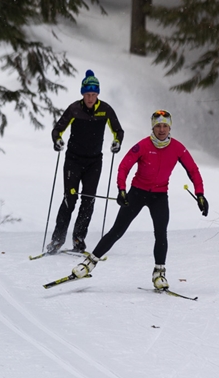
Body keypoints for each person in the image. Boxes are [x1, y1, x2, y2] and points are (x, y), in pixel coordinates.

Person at [73, 109, 209, 289]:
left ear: (170, 128)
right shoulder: (143, 146)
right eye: (158, 126)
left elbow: (193, 170)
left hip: (159, 195)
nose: (161, 130)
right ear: (152, 127)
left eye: (165, 126)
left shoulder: (177, 148)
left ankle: (159, 274)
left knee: (161, 233)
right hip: (137, 192)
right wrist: (122, 190)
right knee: (117, 231)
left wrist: (200, 194)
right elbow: (124, 167)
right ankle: (88, 264)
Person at [47, 70, 124, 254]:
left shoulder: (105, 109)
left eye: (93, 94)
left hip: (94, 163)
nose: (90, 98)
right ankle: (57, 240)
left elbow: (118, 131)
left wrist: (116, 143)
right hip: (73, 160)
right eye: (87, 94)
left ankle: (78, 239)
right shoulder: (74, 109)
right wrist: (57, 141)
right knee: (69, 199)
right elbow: (57, 130)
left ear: (97, 94)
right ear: (83, 94)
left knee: (88, 201)